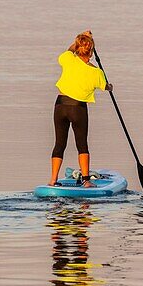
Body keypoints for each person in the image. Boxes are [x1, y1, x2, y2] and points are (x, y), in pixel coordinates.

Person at [50, 31, 111, 188]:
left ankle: (52, 180)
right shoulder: (97, 72)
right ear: (91, 53)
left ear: (77, 47)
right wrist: (110, 86)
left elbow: (69, 51)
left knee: (59, 144)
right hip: (78, 109)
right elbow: (105, 87)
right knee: (82, 145)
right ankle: (86, 180)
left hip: (60, 106)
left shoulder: (68, 60)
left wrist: (81, 39)